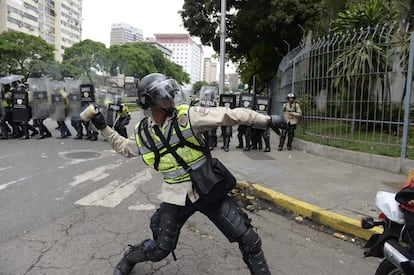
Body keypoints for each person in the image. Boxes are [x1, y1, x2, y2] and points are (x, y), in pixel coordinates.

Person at [89, 73, 283, 275]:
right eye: (162, 95)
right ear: (148, 101)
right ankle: (128, 259)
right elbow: (125, 148)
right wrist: (103, 127)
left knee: (250, 240)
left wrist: (267, 120)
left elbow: (230, 115)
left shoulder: (188, 116)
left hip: (208, 190)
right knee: (160, 249)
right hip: (176, 197)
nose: (169, 98)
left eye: (170, 93)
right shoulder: (145, 133)